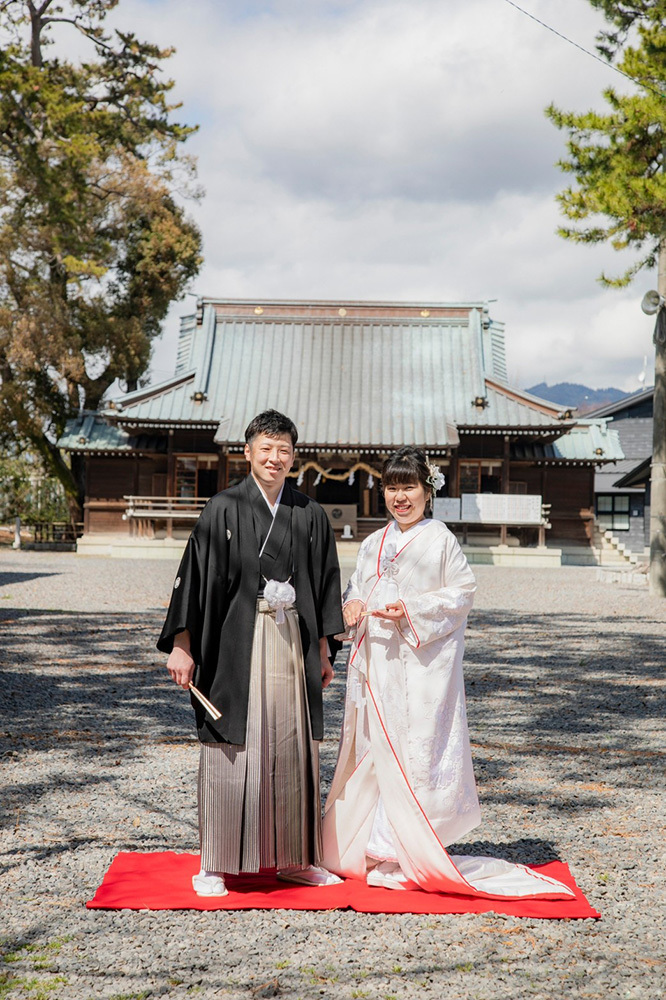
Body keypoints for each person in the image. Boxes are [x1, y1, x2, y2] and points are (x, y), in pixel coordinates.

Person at [322, 447, 574, 900]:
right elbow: (357, 588)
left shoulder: (440, 539)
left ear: (427, 491)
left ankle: (404, 850)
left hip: (421, 668)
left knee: (415, 752)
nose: (401, 497)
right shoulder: (371, 542)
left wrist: (411, 610)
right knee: (374, 751)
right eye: (392, 487)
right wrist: (353, 605)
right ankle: (371, 846)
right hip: (377, 661)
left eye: (409, 487)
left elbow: (462, 594)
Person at [158, 410, 344, 896]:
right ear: (247, 453)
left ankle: (297, 858)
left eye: (284, 450)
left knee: (292, 742)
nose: (275, 458)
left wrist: (324, 649)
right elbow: (194, 581)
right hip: (235, 640)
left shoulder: (309, 514)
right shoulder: (223, 508)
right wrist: (182, 645)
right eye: (266, 448)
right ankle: (215, 862)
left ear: (293, 456)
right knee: (232, 746)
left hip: (291, 641)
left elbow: (325, 585)